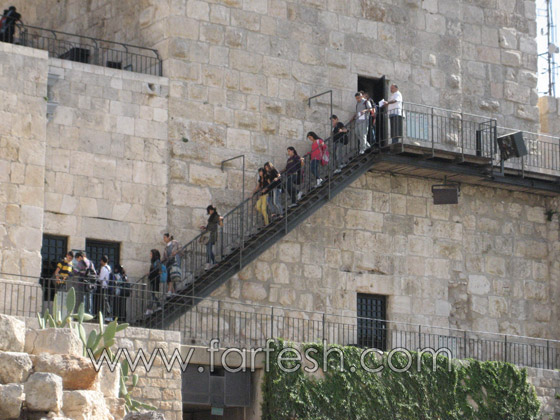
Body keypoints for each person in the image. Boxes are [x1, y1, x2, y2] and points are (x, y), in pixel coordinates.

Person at [202, 205, 223, 270]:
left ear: (212, 210)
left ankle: (208, 263)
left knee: (209, 250)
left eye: (210, 211)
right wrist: (205, 227)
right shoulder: (212, 216)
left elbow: (221, 224)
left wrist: (220, 220)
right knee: (209, 250)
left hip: (211, 235)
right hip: (208, 235)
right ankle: (214, 262)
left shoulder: (216, 216)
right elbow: (210, 226)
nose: (209, 212)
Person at [96, 255, 112, 319]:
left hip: (103, 287)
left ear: (102, 261)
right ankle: (106, 315)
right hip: (108, 286)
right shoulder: (109, 267)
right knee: (106, 301)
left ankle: (106, 315)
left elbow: (101, 278)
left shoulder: (103, 268)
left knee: (104, 301)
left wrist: (97, 277)